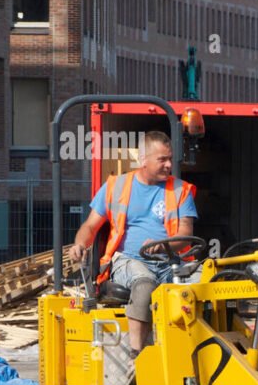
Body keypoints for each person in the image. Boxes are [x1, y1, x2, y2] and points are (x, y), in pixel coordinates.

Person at [68, 131, 198, 359]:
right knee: (145, 284)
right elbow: (90, 226)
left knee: (204, 284)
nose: (169, 165)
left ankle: (196, 353)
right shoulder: (115, 187)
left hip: (170, 262)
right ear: (143, 159)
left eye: (170, 159)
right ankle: (137, 356)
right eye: (162, 160)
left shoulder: (180, 190)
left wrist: (164, 245)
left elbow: (185, 232)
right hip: (128, 260)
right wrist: (80, 244)